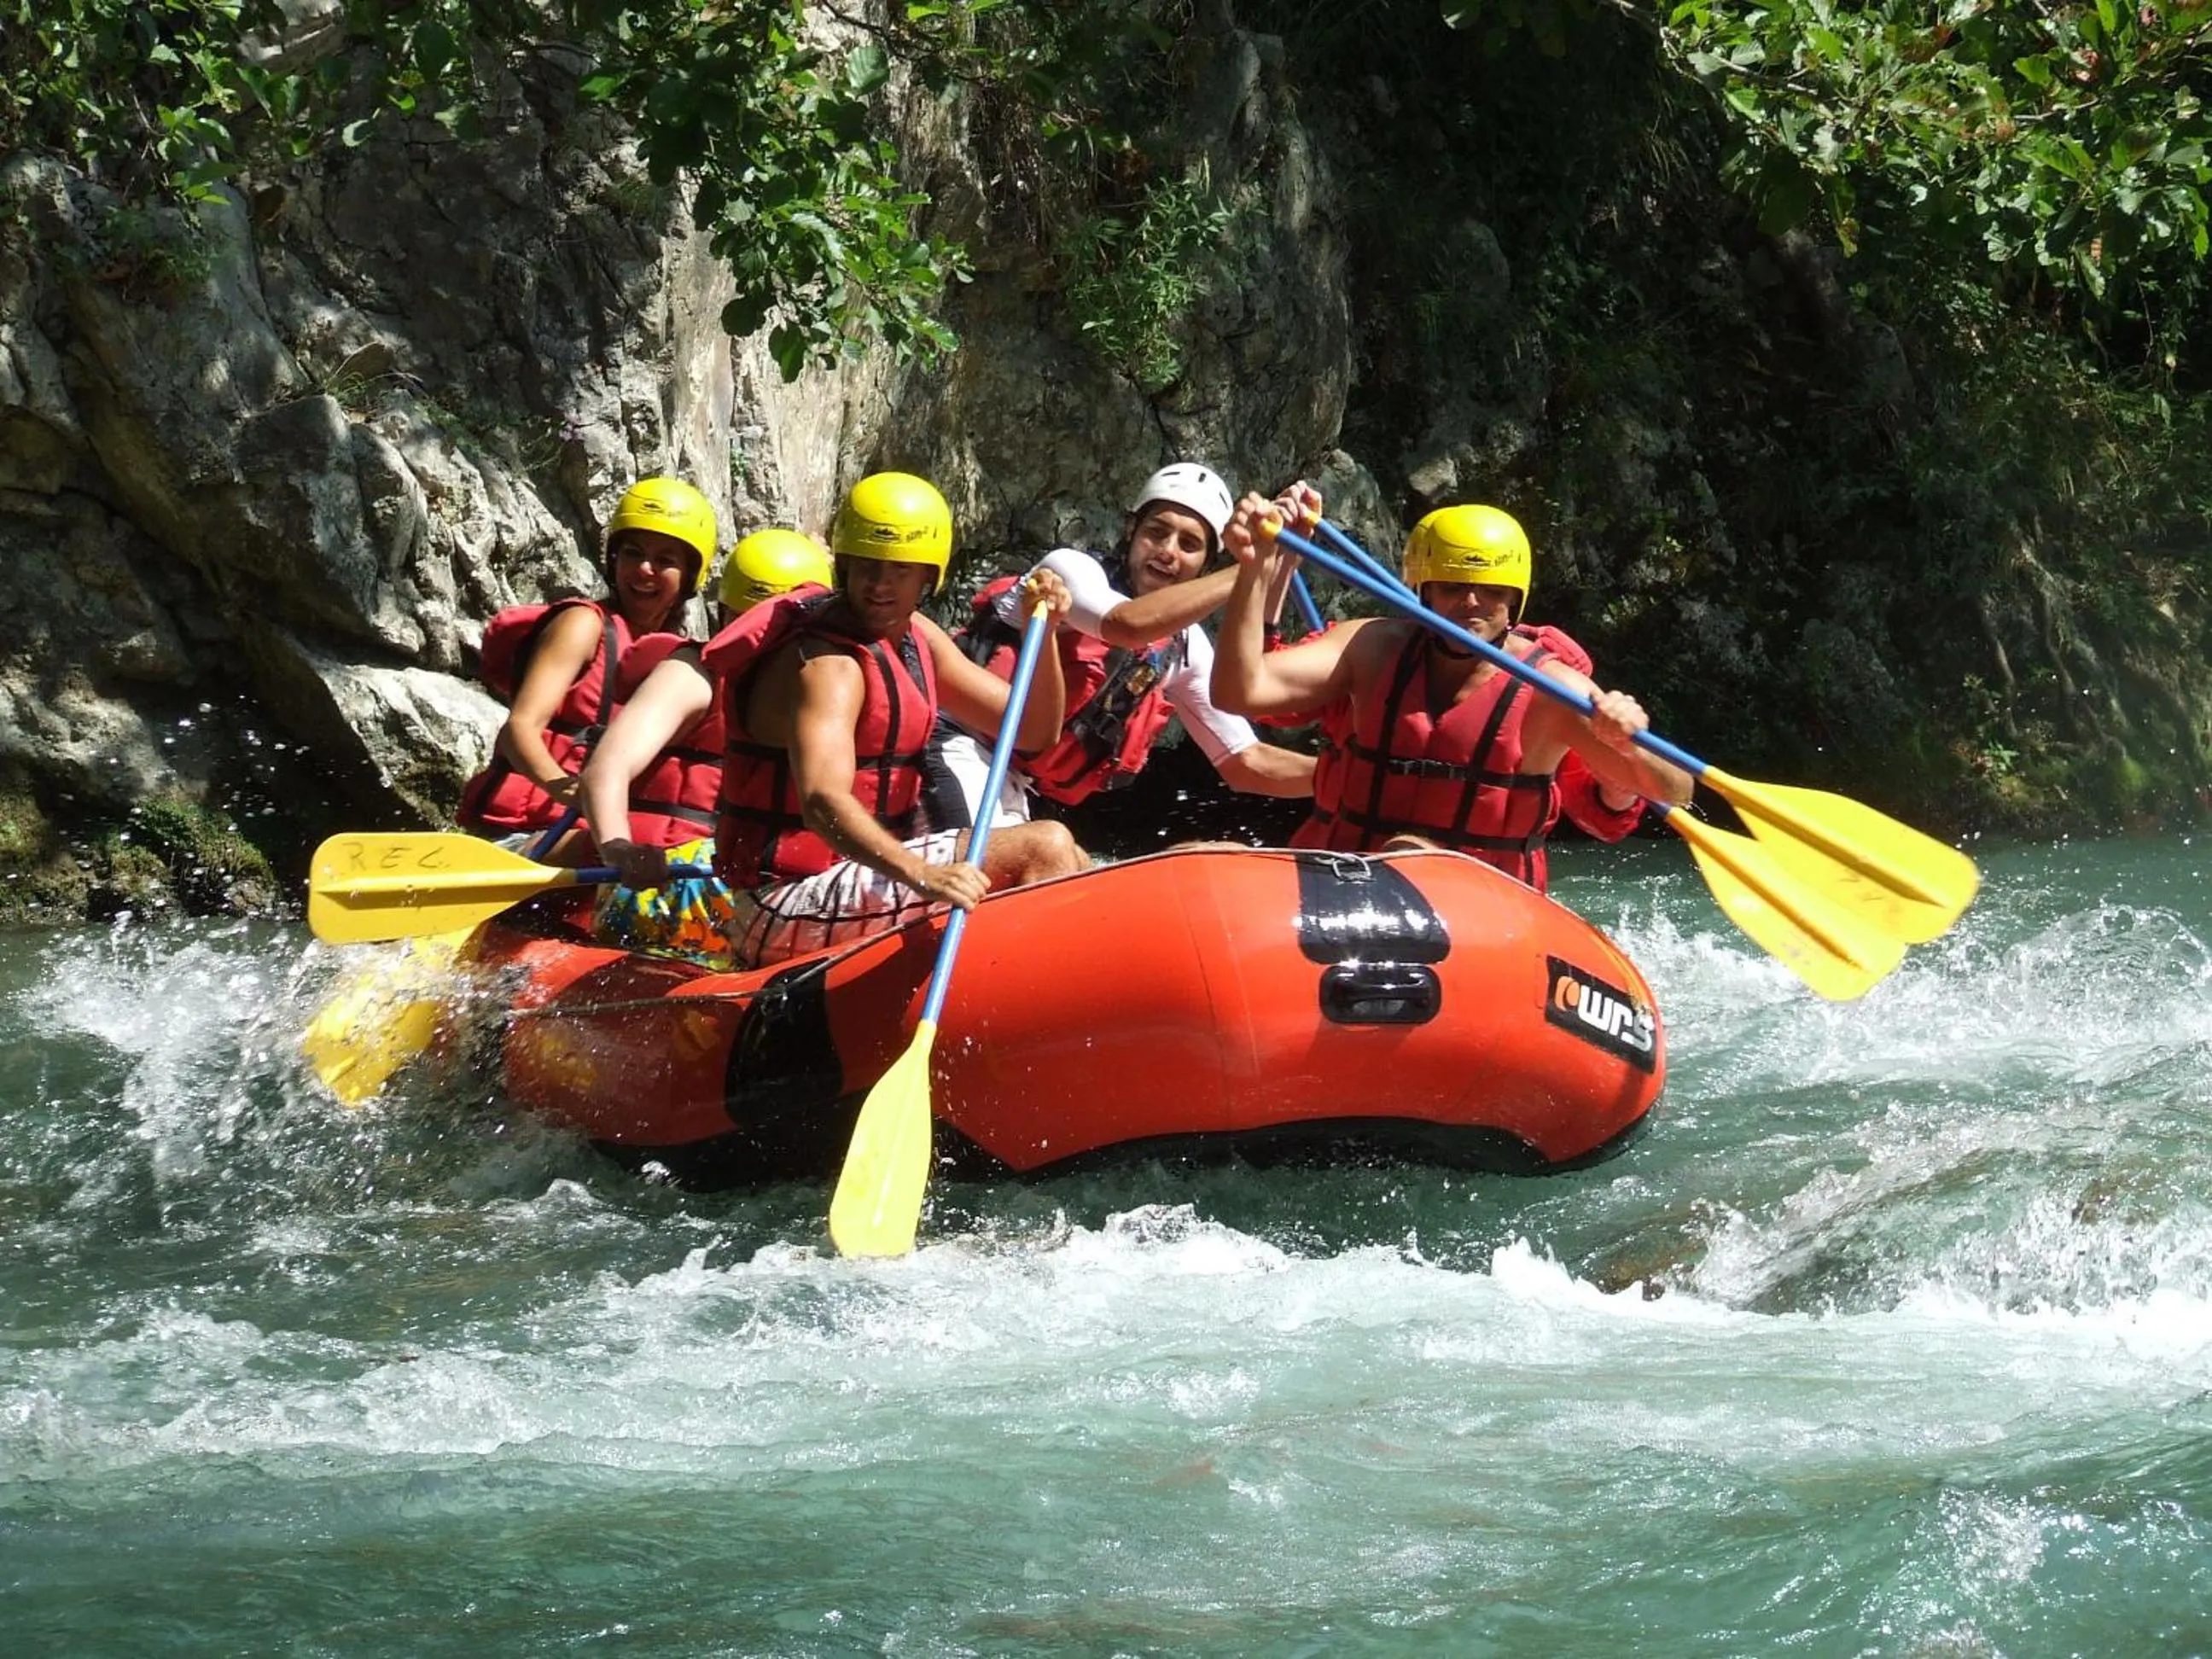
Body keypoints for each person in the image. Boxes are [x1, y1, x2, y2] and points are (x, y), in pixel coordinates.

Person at [607, 471, 1090, 970]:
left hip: (856, 874)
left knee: (1073, 857)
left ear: (928, 576)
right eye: (867, 565)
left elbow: (1033, 731)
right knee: (1044, 846)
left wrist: (1046, 633)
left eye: (899, 570)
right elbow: (822, 802)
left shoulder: (916, 638)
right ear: (844, 566)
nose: (880, 585)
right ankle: (1033, 995)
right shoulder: (828, 665)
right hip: (784, 901)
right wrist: (922, 873)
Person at [1210, 498, 1692, 891]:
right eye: (1453, 587)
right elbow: (1239, 691)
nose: (1472, 603)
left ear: (1515, 601)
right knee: (1208, 856)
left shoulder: (1553, 690)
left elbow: (1676, 791)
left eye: (1492, 591)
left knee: (1409, 856)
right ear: (1423, 591)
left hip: (1483, 908)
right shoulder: (1369, 648)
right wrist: (1255, 567)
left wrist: (1630, 742)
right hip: (1339, 884)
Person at [930, 463, 1315, 832]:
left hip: (1019, 785)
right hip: (955, 742)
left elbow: (1245, 761)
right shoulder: (1068, 572)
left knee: (1057, 857)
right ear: (1131, 530)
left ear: (1205, 564)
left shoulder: (1184, 646)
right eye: (1157, 532)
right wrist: (1255, 565)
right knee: (1044, 851)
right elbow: (1125, 625)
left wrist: (1339, 777)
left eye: (1189, 544)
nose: (1168, 551)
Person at [583, 529, 834, 962]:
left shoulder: (825, 692)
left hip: (748, 876)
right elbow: (606, 770)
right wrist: (619, 848)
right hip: (665, 879)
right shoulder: (695, 673)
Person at [457, 476, 713, 857]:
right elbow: (520, 728)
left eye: (665, 561)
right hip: (520, 834)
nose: (645, 569)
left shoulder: (678, 662)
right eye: (633, 553)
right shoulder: (582, 624)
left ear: (690, 577)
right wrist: (566, 789)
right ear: (614, 559)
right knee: (632, 853)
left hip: (593, 835)